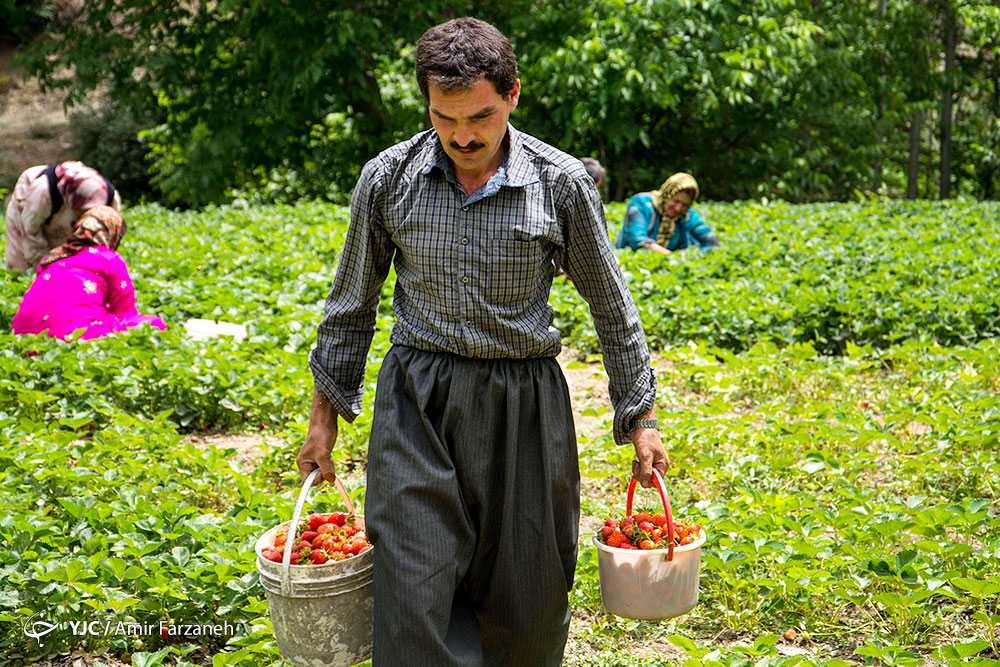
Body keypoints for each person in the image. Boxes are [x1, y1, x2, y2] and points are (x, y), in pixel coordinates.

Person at [295, 17, 668, 666]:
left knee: (526, 604)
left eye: (481, 116)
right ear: (427, 105)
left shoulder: (561, 183)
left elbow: (612, 305)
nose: (463, 135)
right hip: (418, 403)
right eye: (446, 118)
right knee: (411, 597)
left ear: (513, 95)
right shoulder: (389, 179)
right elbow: (351, 304)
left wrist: (641, 418)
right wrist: (322, 420)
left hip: (522, 406)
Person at [11, 206, 166, 340]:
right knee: (152, 325)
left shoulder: (52, 257)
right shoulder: (108, 258)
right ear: (112, 234)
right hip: (73, 337)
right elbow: (124, 310)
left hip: (24, 339)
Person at [4, 160, 122, 272]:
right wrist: (44, 268)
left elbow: (111, 235)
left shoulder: (110, 198)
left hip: (60, 221)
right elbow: (30, 232)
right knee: (20, 261)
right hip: (27, 210)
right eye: (81, 212)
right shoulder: (43, 191)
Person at [615, 172, 720, 255]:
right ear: (667, 194)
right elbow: (638, 240)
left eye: (684, 205)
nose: (678, 208)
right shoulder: (641, 204)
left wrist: (693, 257)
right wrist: (672, 258)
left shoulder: (687, 215)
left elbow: (713, 242)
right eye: (675, 201)